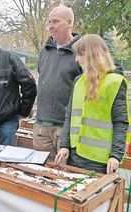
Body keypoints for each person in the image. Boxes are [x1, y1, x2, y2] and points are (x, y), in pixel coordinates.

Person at [55, 34, 130, 174]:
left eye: (79, 54)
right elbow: (69, 117)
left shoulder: (115, 82)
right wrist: (65, 145)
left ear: (90, 54)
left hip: (99, 161)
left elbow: (121, 123)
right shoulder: (78, 81)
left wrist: (116, 155)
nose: (76, 59)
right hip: (75, 154)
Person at [33, 6, 82, 162]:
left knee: (65, 175)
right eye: (49, 22)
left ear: (69, 23)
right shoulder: (45, 50)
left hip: (66, 127)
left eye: (56, 21)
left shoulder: (81, 50)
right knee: (43, 174)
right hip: (41, 126)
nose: (51, 26)